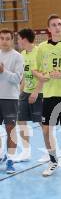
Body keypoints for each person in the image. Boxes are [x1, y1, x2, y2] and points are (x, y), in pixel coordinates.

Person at [33, 14, 61, 181]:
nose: (58, 27)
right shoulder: (42, 48)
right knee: (46, 131)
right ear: (49, 28)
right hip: (50, 95)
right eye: (54, 25)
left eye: (60, 24)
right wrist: (41, 76)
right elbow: (35, 70)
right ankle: (52, 161)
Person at [16, 28, 42, 162]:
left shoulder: (39, 52)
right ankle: (26, 151)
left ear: (24, 39)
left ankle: (50, 154)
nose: (18, 41)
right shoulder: (22, 54)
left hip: (39, 93)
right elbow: (24, 77)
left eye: (19, 38)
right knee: (20, 120)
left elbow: (43, 76)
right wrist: (19, 93)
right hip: (25, 92)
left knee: (44, 124)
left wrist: (36, 92)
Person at [0, 28, 24, 173]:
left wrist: (3, 71)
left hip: (10, 98)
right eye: (2, 38)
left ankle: (10, 160)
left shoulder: (17, 57)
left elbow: (17, 79)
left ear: (12, 40)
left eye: (7, 38)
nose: (4, 41)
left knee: (11, 130)